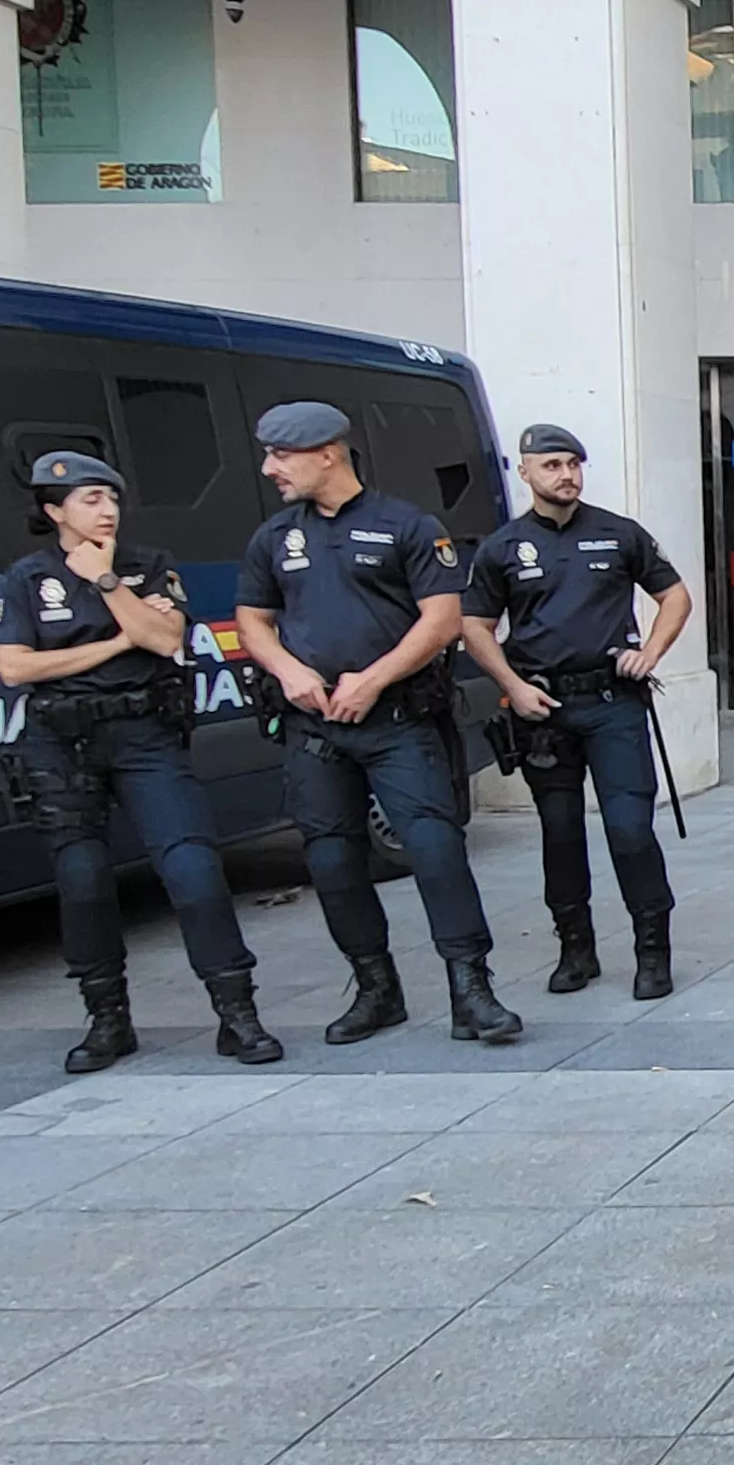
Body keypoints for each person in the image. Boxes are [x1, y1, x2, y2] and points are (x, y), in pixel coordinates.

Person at [233, 400, 519, 1047]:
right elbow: (252, 620)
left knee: (435, 849)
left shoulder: (406, 526)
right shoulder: (274, 537)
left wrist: (373, 679)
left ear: (327, 454)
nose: (270, 468)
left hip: (396, 722)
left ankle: (471, 991)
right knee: (332, 859)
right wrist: (288, 671)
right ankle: (375, 990)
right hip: (314, 727)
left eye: (282, 455)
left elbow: (441, 620)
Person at [0, 452, 283, 1071]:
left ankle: (237, 1014)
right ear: (55, 511)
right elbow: (15, 667)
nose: (108, 510)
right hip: (62, 743)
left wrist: (106, 582)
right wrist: (119, 641)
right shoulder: (27, 577)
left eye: (112, 498)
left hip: (144, 734)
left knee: (193, 869)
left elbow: (166, 639)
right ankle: (108, 1020)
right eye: (91, 499)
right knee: (83, 881)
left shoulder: (146, 566)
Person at [461, 423, 695, 1000]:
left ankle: (652, 952)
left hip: (613, 702)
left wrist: (651, 652)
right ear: (525, 472)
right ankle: (575, 948)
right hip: (543, 711)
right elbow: (475, 627)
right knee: (560, 833)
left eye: (573, 464)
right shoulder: (503, 547)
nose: (566, 475)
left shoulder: (619, 533)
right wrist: (512, 686)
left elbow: (675, 596)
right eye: (552, 465)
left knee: (630, 829)